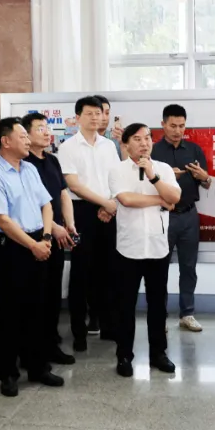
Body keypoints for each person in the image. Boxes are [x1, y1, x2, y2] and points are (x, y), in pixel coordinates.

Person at [0, 117, 66, 397]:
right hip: (13, 247)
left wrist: (45, 238)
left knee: (38, 308)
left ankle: (37, 366)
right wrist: (33, 245)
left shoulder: (29, 168)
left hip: (39, 241)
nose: (28, 140)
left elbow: (47, 204)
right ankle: (8, 374)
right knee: (12, 313)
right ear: (5, 141)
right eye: (23, 136)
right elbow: (2, 220)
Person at [110, 123, 182, 377]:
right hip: (128, 248)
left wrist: (153, 176)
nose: (144, 143)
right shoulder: (118, 170)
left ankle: (158, 353)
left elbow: (175, 198)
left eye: (148, 138)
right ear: (126, 144)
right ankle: (124, 356)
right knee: (125, 306)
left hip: (157, 247)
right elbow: (127, 199)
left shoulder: (162, 169)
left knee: (158, 305)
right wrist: (160, 199)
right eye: (138, 139)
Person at [58, 95, 122, 348]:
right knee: (81, 272)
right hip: (82, 211)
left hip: (109, 211)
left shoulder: (109, 146)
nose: (96, 118)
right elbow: (73, 185)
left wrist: (110, 204)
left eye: (99, 113)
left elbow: (116, 177)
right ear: (77, 117)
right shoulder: (68, 147)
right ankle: (79, 332)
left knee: (108, 271)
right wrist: (104, 203)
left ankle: (108, 325)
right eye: (90, 113)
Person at [23, 112, 78, 365]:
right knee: (37, 295)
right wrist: (53, 227)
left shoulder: (52, 160)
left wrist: (70, 223)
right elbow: (30, 203)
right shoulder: (25, 164)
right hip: (35, 237)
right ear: (25, 135)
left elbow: (63, 193)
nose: (47, 133)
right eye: (39, 129)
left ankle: (50, 342)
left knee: (53, 292)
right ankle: (33, 350)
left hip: (56, 235)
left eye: (47, 128)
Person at [151, 103, 211, 333]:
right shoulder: (153, 151)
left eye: (182, 126)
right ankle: (160, 317)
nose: (178, 130)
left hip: (188, 216)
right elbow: (143, 183)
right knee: (159, 268)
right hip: (162, 216)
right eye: (173, 125)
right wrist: (166, 178)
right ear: (163, 124)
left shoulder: (194, 150)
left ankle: (187, 314)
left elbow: (207, 183)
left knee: (188, 267)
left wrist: (204, 177)